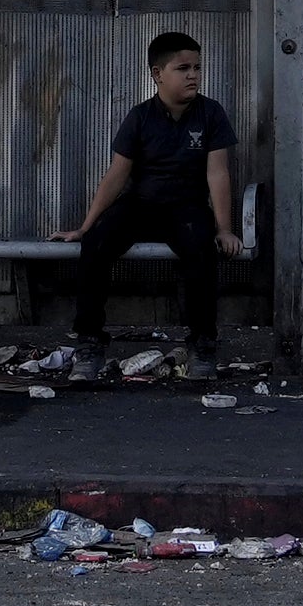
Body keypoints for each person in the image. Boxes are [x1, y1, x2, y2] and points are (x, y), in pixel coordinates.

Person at [67, 31, 239, 364]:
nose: (193, 75)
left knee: (201, 249)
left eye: (197, 67)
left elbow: (217, 173)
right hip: (141, 206)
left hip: (187, 208)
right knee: (96, 245)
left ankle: (202, 343)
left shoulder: (211, 114)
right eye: (183, 68)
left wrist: (224, 228)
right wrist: (86, 227)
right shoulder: (140, 117)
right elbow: (116, 175)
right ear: (158, 74)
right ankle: (89, 340)